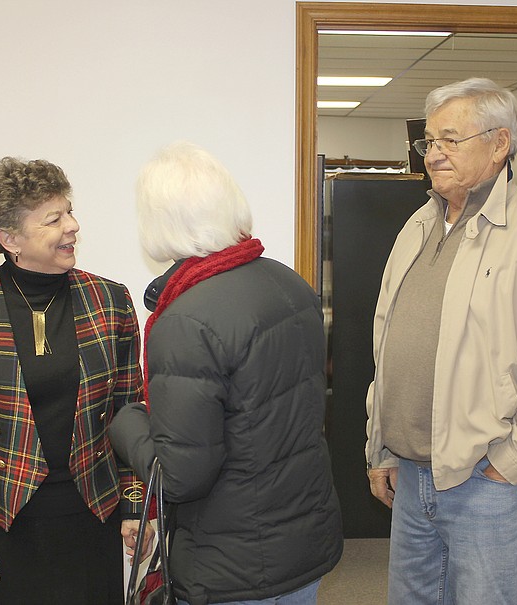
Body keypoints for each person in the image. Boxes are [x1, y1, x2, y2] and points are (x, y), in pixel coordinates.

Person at [365, 77, 517, 604]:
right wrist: (380, 441)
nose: (433, 155)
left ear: (500, 144)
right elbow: (389, 347)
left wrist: (514, 461)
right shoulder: (417, 227)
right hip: (412, 477)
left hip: (491, 483)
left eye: (450, 140)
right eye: (429, 141)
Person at [109, 141, 343, 605]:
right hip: (302, 535)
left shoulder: (186, 320)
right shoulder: (288, 282)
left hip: (234, 558)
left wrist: (126, 423)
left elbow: (181, 476)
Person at [0, 157, 149, 604]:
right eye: (54, 218)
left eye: (69, 210)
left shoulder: (111, 300)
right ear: (10, 240)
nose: (73, 226)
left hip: (91, 517)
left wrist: (136, 507)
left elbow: (131, 411)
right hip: (1, 527)